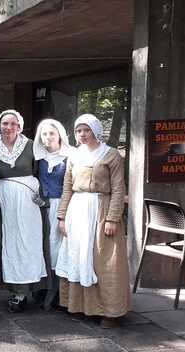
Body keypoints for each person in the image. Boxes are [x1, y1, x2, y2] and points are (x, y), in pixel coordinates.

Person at [56, 114, 129, 328]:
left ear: (95, 131)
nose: (82, 134)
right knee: (78, 258)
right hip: (77, 211)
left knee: (105, 262)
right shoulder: (74, 156)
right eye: (78, 130)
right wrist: (62, 216)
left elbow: (118, 189)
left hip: (101, 210)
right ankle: (80, 306)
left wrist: (112, 218)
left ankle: (109, 312)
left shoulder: (111, 155)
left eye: (86, 130)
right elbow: (67, 187)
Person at [0, 109, 47, 313]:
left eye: (13, 123)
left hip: (28, 203)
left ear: (20, 126)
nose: (9, 127)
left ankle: (28, 289)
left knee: (28, 243)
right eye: (5, 123)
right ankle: (14, 291)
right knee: (8, 244)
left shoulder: (31, 146)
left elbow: (44, 171)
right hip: (4, 201)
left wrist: (43, 198)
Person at [32, 118, 74, 308]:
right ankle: (44, 287)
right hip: (42, 208)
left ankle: (58, 290)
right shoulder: (38, 158)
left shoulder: (70, 156)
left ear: (59, 135)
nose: (48, 137)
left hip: (64, 206)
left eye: (51, 133)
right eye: (44, 134)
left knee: (60, 248)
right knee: (45, 247)